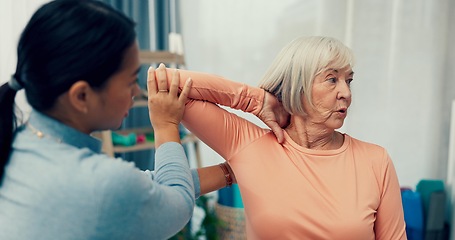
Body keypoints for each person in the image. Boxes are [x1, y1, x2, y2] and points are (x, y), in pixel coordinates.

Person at [0, 1, 237, 239]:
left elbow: (146, 188)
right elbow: (176, 203)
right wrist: (165, 125)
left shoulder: (21, 143)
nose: (137, 91)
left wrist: (232, 170)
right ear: (81, 96)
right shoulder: (101, 185)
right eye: (130, 81)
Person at [154, 36, 407, 239]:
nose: (346, 93)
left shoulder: (375, 160)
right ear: (297, 86)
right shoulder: (249, 145)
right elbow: (164, 83)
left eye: (348, 81)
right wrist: (257, 100)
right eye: (332, 79)